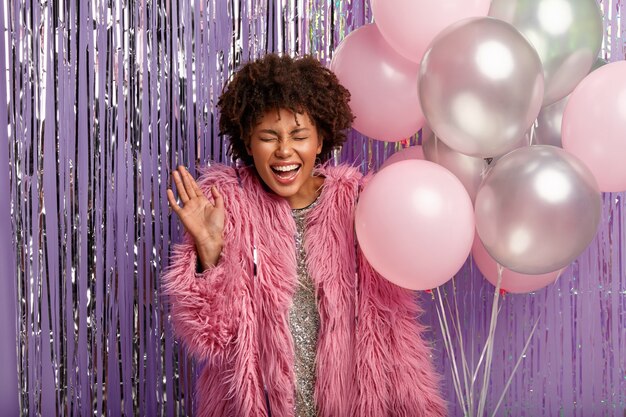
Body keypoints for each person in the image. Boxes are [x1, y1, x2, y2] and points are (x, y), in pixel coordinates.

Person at [163, 53, 446, 417]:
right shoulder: (225, 206)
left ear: (320, 139)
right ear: (248, 143)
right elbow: (212, 339)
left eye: (299, 135)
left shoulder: (362, 204)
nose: (284, 151)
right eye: (268, 137)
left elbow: (394, 328)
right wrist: (209, 250)